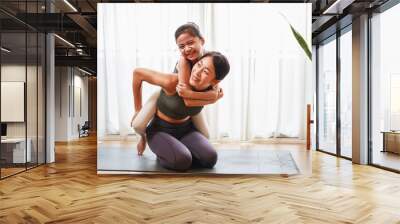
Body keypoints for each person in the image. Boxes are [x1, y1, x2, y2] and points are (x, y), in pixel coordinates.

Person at [131, 22, 223, 154]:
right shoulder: (184, 61)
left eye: (190, 43)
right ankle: (143, 138)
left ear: (202, 40)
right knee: (138, 125)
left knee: (206, 135)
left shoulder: (211, 58)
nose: (186, 49)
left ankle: (183, 139)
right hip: (170, 96)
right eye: (181, 46)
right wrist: (137, 109)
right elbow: (187, 98)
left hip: (188, 106)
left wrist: (213, 95)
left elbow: (215, 87)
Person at [132, 51, 230, 171]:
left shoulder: (213, 90)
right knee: (182, 161)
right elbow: (138, 73)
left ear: (214, 81)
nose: (197, 73)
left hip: (186, 129)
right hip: (160, 131)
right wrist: (138, 110)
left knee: (210, 158)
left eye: (205, 72)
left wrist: (212, 97)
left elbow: (211, 95)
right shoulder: (173, 81)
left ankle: (176, 149)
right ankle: (167, 150)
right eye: (199, 65)